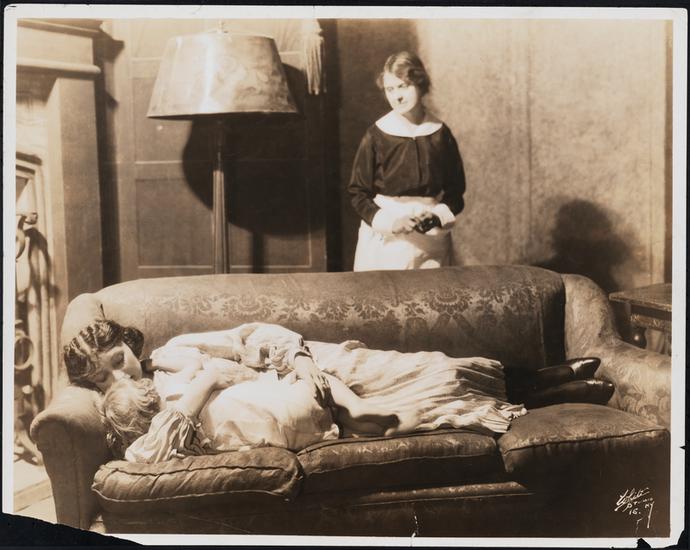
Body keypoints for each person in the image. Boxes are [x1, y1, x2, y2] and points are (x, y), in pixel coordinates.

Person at [63, 320, 526, 463]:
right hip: (293, 404)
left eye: (119, 362)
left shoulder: (176, 352)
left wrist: (301, 359)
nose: (120, 378)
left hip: (312, 368)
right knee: (426, 405)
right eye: (103, 380)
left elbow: (251, 338)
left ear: (128, 345)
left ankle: (536, 380)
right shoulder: (149, 413)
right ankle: (532, 393)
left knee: (436, 371)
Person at [348, 51, 466, 271]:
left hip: (430, 243)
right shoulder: (376, 135)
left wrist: (436, 216)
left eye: (403, 86)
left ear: (420, 84)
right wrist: (392, 223)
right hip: (385, 242)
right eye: (390, 89)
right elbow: (358, 193)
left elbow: (456, 193)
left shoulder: (441, 134)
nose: (397, 96)